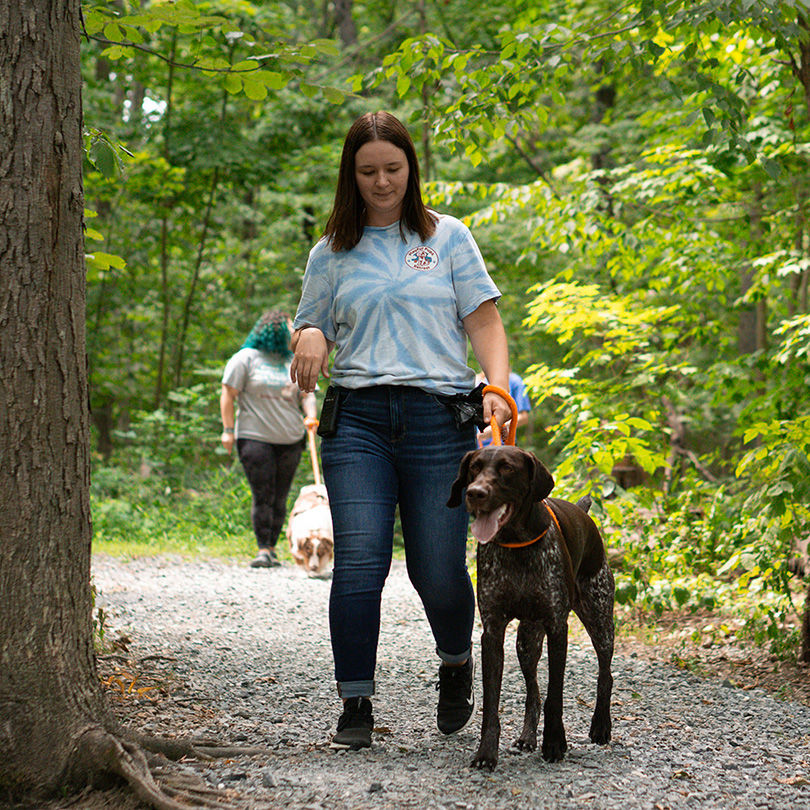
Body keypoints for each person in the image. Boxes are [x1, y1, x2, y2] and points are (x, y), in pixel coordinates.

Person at [289, 111, 512, 750]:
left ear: (411, 168)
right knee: (359, 561)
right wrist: (306, 334)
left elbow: (486, 323)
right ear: (350, 176)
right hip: (357, 418)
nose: (382, 181)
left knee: (438, 567)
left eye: (393, 168)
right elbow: (310, 328)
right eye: (368, 171)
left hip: (438, 420)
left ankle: (455, 664)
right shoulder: (329, 252)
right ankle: (355, 701)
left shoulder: (448, 238)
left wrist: (495, 389)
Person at [221, 310, 317, 568]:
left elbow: (308, 394)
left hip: (291, 437)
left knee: (280, 496)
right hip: (254, 436)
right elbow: (228, 394)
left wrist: (311, 416)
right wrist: (228, 430)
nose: (293, 332)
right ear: (274, 330)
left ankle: (272, 547)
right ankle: (263, 549)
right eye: (289, 327)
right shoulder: (246, 359)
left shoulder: (294, 360)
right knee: (263, 493)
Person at [475, 369, 531, 446]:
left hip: (503, 444)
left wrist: (492, 430)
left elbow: (523, 417)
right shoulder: (476, 381)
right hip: (476, 445)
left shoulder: (514, 380)